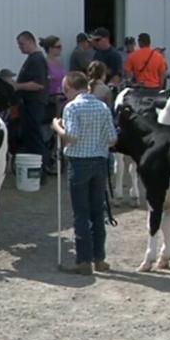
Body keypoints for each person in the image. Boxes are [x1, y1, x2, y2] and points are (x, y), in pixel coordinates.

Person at [51, 71, 117, 276]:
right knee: (98, 211)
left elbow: (72, 137)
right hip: (99, 161)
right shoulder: (102, 106)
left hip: (79, 162)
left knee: (81, 213)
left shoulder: (72, 107)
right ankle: (99, 258)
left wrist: (57, 127)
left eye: (65, 90)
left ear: (71, 87)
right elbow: (112, 138)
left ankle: (83, 260)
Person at [13, 31, 50, 180]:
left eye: (21, 44)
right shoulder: (32, 59)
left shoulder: (37, 60)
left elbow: (38, 84)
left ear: (30, 41)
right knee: (30, 138)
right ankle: (35, 170)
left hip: (34, 104)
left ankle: (41, 172)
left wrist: (17, 86)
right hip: (29, 104)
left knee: (35, 139)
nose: (20, 47)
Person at [41, 35, 67, 176]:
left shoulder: (59, 63)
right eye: (58, 47)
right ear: (50, 49)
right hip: (52, 101)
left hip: (62, 100)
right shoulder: (46, 64)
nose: (60, 49)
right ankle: (52, 157)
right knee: (53, 130)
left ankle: (61, 157)